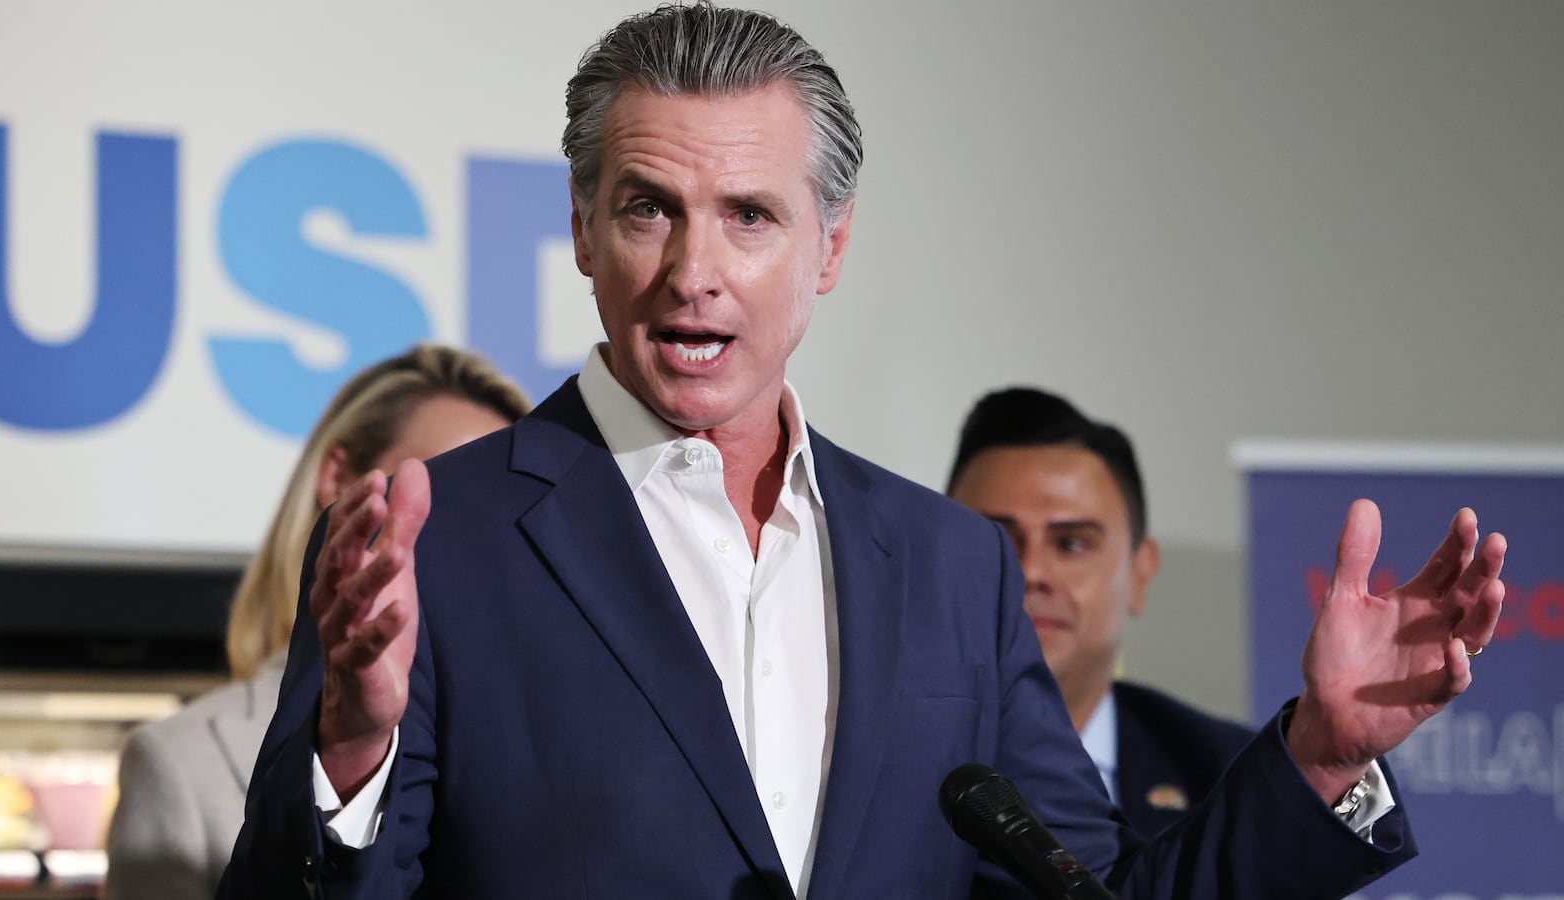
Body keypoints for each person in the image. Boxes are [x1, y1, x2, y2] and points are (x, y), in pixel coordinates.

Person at [217, 5, 1508, 898]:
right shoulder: (437, 533)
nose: (693, 272)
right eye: (647, 209)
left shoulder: (946, 563)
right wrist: (350, 755)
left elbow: (1095, 890)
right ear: (581, 229)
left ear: (829, 248)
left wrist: (1324, 756)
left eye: (750, 217)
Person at [104, 344, 530, 900]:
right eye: (443, 497)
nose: (470, 546)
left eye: (500, 514)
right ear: (338, 479)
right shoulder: (180, 764)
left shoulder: (543, 743)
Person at [947, 387, 1255, 837]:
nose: (1031, 571)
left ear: (1140, 573)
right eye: (997, 540)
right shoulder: (866, 754)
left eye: (1071, 543)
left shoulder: (1228, 778)